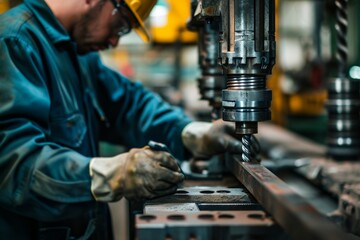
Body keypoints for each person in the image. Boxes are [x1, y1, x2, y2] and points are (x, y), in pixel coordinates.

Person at [0, 0, 242, 239]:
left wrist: (191, 132)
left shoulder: (77, 52)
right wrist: (110, 174)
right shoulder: (14, 42)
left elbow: (128, 104)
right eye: (121, 25)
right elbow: (13, 165)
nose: (114, 41)